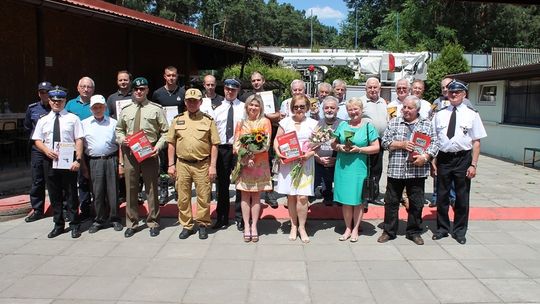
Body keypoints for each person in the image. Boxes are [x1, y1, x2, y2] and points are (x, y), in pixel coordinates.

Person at [378, 96, 440, 245]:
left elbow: (435, 143)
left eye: (409, 108)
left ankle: (414, 232)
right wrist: (401, 144)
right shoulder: (394, 122)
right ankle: (389, 231)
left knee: (416, 203)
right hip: (396, 169)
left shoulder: (426, 124)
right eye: (404, 107)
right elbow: (384, 142)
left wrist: (425, 157)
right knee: (391, 202)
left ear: (417, 109)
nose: (405, 110)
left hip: (416, 170)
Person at [432, 80, 487, 245]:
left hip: (462, 159)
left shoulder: (472, 114)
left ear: (464, 94)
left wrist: (473, 164)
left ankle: (459, 231)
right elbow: (434, 138)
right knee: (442, 196)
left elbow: (476, 142)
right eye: (451, 92)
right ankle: (442, 229)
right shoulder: (440, 114)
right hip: (444, 158)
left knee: (462, 197)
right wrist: (433, 161)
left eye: (457, 92)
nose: (453, 94)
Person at [116, 77, 169, 238]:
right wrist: (121, 139)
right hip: (131, 153)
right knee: (131, 188)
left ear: (147, 90)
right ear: (133, 91)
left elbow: (166, 132)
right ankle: (132, 223)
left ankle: (153, 221)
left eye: (142, 89)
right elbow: (119, 129)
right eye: (136, 89)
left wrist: (157, 147)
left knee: (151, 188)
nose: (139, 91)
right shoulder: (126, 110)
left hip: (149, 153)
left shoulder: (156, 109)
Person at [167, 88, 220, 240]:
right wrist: (171, 164)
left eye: (195, 101)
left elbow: (214, 144)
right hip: (182, 164)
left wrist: (213, 166)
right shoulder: (177, 120)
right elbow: (171, 142)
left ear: (200, 102)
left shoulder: (208, 120)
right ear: (185, 102)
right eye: (189, 101)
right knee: (183, 197)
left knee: (204, 197)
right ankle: (187, 225)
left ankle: (203, 223)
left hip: (202, 164)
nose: (191, 103)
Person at [32, 86, 84, 238]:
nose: (56, 103)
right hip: (50, 160)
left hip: (69, 161)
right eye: (54, 101)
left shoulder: (73, 119)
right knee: (54, 194)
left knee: (71, 193)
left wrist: (78, 159)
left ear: (64, 101)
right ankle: (58, 224)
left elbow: (79, 139)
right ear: (49, 101)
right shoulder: (43, 120)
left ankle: (74, 224)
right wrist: (45, 150)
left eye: (60, 101)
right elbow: (37, 140)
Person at [332, 97, 380, 242]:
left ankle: (355, 229)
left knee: (358, 200)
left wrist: (360, 149)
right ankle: (347, 228)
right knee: (346, 200)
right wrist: (339, 147)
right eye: (350, 110)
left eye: (355, 109)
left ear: (361, 110)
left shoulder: (368, 127)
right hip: (343, 167)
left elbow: (376, 147)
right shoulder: (342, 125)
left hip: (359, 167)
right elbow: (333, 143)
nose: (353, 112)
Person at [274, 95, 318, 243]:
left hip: (305, 163)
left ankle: (302, 227)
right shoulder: (285, 122)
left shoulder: (314, 123)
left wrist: (309, 154)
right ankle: (293, 225)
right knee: (291, 196)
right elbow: (276, 140)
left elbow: (317, 145)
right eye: (296, 107)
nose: (299, 109)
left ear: (307, 107)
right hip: (289, 163)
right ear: (291, 108)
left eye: (302, 106)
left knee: (303, 197)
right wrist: (278, 152)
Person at [234, 94, 273, 242]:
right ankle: (246, 226)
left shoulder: (265, 122)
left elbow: (266, 144)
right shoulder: (241, 123)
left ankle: (254, 226)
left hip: (259, 163)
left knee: (256, 195)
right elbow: (236, 143)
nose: (253, 108)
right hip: (244, 163)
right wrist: (246, 157)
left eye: (256, 105)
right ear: (246, 106)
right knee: (244, 194)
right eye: (251, 105)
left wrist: (253, 155)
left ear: (261, 107)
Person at [239, 71, 281, 209]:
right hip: (248, 136)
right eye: (253, 80)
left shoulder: (271, 96)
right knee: (247, 164)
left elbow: (278, 115)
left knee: (267, 164)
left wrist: (265, 115)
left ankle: (269, 193)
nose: (256, 82)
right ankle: (247, 192)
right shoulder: (245, 96)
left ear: (263, 81)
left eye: (258, 80)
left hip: (265, 136)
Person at [82, 95, 123, 233]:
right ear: (91, 108)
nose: (98, 109)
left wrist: (121, 163)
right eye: (95, 107)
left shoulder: (113, 122)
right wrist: (83, 167)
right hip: (94, 161)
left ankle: (115, 218)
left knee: (113, 191)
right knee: (97, 192)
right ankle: (99, 220)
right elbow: (80, 146)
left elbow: (121, 144)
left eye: (100, 106)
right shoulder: (84, 124)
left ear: (105, 107)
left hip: (111, 159)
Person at [66, 76, 104, 221]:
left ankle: (98, 208)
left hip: (93, 148)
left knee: (94, 180)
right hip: (76, 149)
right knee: (81, 180)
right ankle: (84, 208)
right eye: (83, 86)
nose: (86, 89)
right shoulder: (70, 104)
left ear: (93, 90)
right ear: (78, 88)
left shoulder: (97, 104)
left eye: (89, 87)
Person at [211, 78, 245, 230]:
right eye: (227, 89)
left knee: (240, 184)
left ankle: (240, 217)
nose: (230, 92)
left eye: (233, 89)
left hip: (239, 148)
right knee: (222, 184)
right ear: (224, 90)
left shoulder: (244, 108)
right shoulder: (216, 109)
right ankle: (222, 217)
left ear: (238, 91)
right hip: (222, 149)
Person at [152, 66, 185, 205]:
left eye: (174, 75)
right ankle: (164, 190)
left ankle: (178, 189)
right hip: (163, 134)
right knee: (164, 164)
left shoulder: (183, 92)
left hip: (179, 134)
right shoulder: (157, 94)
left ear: (177, 76)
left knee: (178, 162)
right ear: (164, 77)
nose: (171, 78)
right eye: (169, 75)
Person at [23, 81, 52, 222]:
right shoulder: (32, 108)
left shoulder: (56, 106)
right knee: (37, 180)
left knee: (56, 179)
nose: (44, 95)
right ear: (38, 93)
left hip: (54, 148)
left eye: (47, 92)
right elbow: (28, 128)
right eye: (42, 92)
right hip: (38, 149)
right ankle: (37, 210)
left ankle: (62, 208)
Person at [360, 77, 388, 205]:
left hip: (380, 141)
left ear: (379, 88)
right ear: (365, 89)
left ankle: (374, 195)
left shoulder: (383, 102)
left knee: (377, 169)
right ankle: (363, 196)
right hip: (365, 142)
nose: (372, 90)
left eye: (375, 87)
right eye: (370, 87)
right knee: (364, 169)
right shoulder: (361, 102)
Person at [106, 70, 132, 204]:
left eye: (125, 80)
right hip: (119, 135)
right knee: (120, 165)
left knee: (134, 165)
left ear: (130, 81)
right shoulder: (111, 98)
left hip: (133, 135)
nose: (123, 82)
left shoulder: (136, 95)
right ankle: (122, 193)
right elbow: (108, 115)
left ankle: (135, 193)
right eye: (120, 80)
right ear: (117, 82)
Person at [314, 96, 341, 206]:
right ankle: (325, 194)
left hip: (337, 162)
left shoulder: (343, 124)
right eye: (326, 108)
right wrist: (317, 158)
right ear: (323, 109)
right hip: (319, 161)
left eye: (332, 108)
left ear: (337, 110)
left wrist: (336, 159)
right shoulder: (317, 124)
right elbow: (311, 145)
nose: (329, 110)